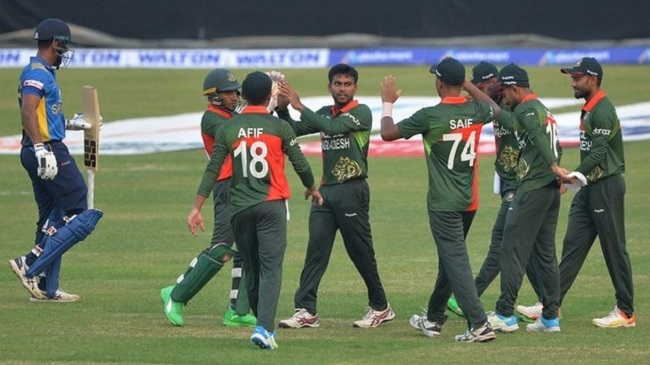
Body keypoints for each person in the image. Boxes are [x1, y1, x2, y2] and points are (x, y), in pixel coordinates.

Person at [186, 71, 322, 350]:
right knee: (271, 268)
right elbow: (299, 161)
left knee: (251, 265)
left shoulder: (228, 128)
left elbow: (213, 168)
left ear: (244, 96)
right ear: (268, 97)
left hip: (239, 207)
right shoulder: (278, 127)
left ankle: (260, 321)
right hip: (271, 205)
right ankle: (264, 327)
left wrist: (197, 206)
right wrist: (312, 187)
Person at [379, 57, 499, 343]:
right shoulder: (476, 109)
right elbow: (495, 108)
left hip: (444, 204)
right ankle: (433, 319)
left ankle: (480, 324)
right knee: (450, 261)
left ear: (439, 83)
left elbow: (386, 133)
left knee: (455, 262)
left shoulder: (430, 115)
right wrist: (467, 84)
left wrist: (387, 103)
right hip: (469, 202)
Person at [517, 57, 635, 328]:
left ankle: (626, 312)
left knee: (614, 249)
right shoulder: (591, 108)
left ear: (592, 80)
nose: (572, 82)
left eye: (577, 78)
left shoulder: (603, 109)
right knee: (572, 247)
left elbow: (600, 151)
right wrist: (575, 182)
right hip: (589, 188)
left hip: (606, 186)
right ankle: (551, 306)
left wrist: (575, 175)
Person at [275, 63, 395, 329]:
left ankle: (381, 306)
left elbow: (333, 128)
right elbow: (291, 132)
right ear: (329, 86)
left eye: (347, 84)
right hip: (326, 191)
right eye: (338, 84)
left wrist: (300, 106)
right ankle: (306, 310)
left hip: (353, 189)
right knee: (316, 249)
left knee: (360, 251)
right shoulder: (323, 114)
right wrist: (283, 109)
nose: (342, 89)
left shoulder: (361, 112)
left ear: (355, 87)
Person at [9, 18, 103, 302]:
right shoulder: (38, 73)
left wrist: (75, 124)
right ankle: (30, 262)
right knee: (78, 202)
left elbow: (43, 116)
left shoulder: (43, 71)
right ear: (55, 43)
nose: (65, 51)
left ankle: (46, 287)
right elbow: (28, 112)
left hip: (40, 146)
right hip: (46, 149)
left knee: (52, 214)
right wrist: (41, 149)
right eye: (64, 45)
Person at [159, 69, 256, 328]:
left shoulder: (229, 115)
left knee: (250, 247)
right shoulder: (211, 119)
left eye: (236, 91)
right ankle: (177, 296)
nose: (234, 96)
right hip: (227, 187)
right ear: (213, 95)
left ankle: (238, 309)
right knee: (222, 248)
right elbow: (240, 131)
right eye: (228, 92)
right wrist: (263, 105)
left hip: (247, 186)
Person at [446, 62, 542, 320]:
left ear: (494, 82)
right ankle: (548, 302)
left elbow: (538, 133)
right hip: (509, 179)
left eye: (481, 86)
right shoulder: (493, 103)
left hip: (522, 182)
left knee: (501, 245)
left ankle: (469, 298)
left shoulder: (514, 103)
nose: (479, 91)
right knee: (526, 246)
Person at [486, 63, 570, 333]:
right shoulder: (542, 109)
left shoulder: (526, 109)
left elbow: (536, 136)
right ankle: (550, 318)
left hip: (532, 188)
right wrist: (555, 173)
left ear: (515, 88)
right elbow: (505, 117)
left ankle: (504, 314)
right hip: (548, 190)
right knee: (546, 254)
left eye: (506, 93)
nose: (505, 99)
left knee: (511, 248)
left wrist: (553, 165)